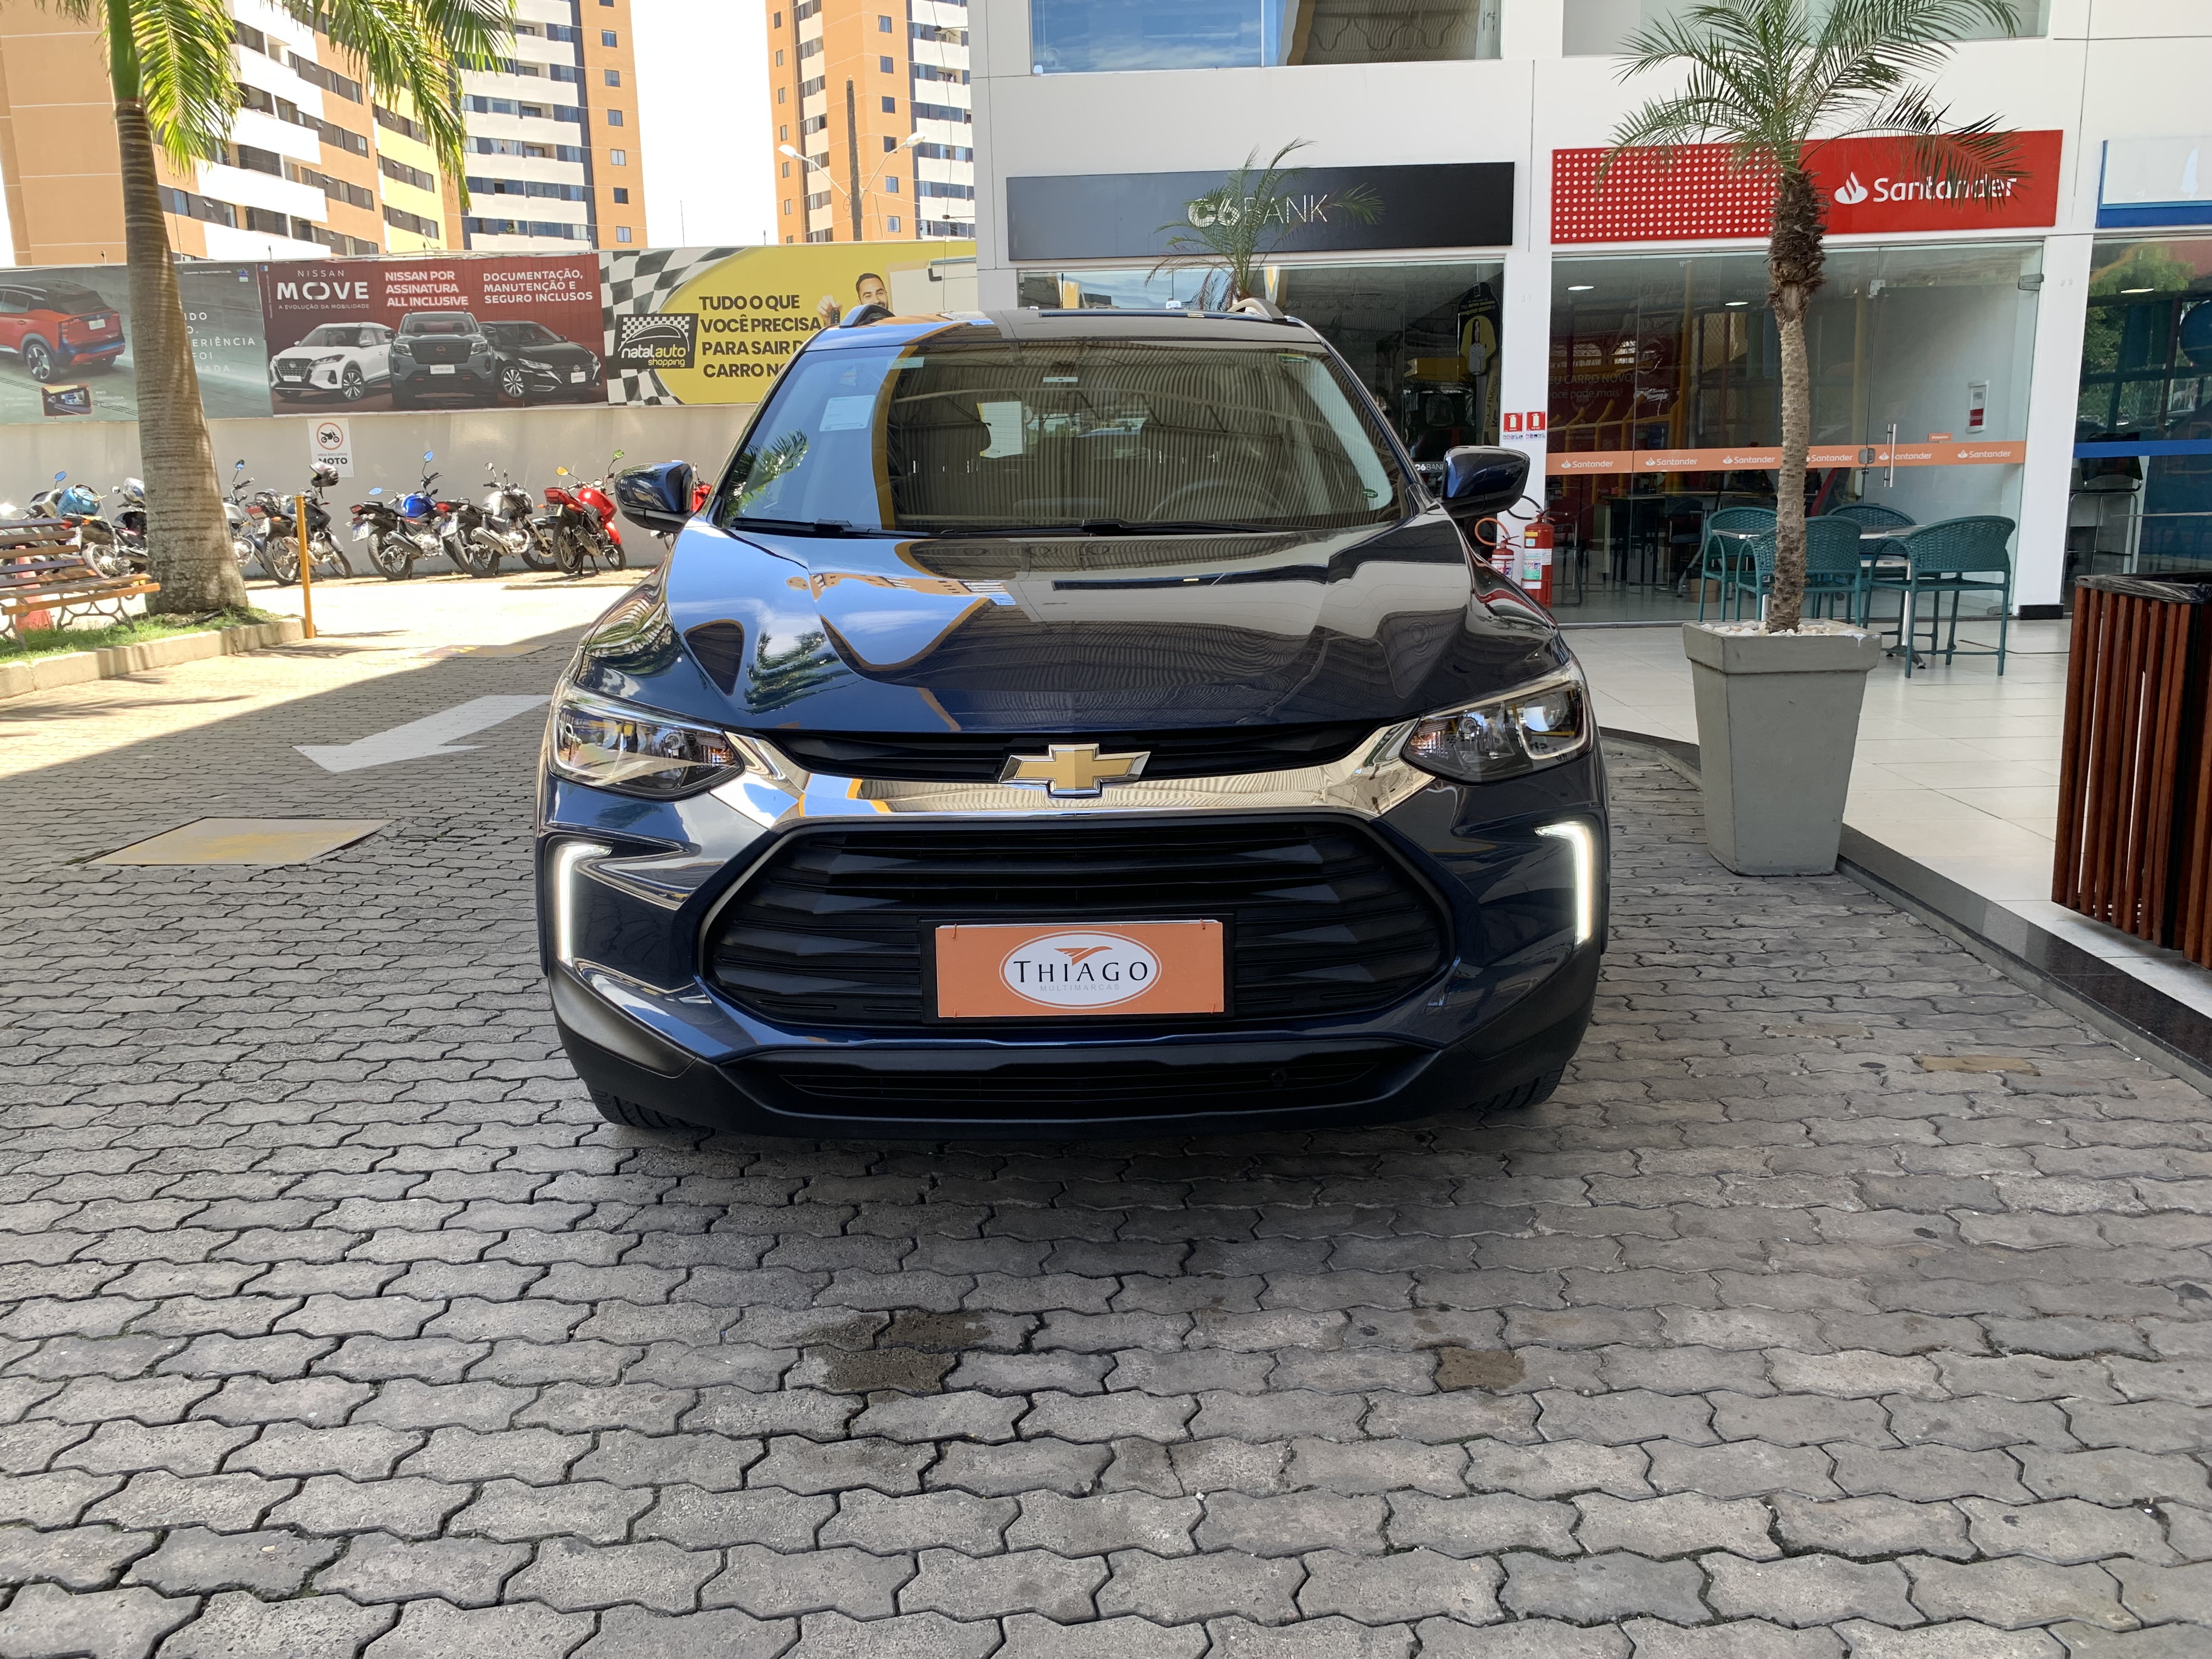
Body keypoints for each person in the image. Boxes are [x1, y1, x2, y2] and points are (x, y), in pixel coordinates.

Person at [817, 273, 892, 328]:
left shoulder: (898, 327)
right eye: (868, 296)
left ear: (887, 295)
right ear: (860, 303)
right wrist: (830, 323)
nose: (876, 300)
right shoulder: (854, 334)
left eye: (880, 293)